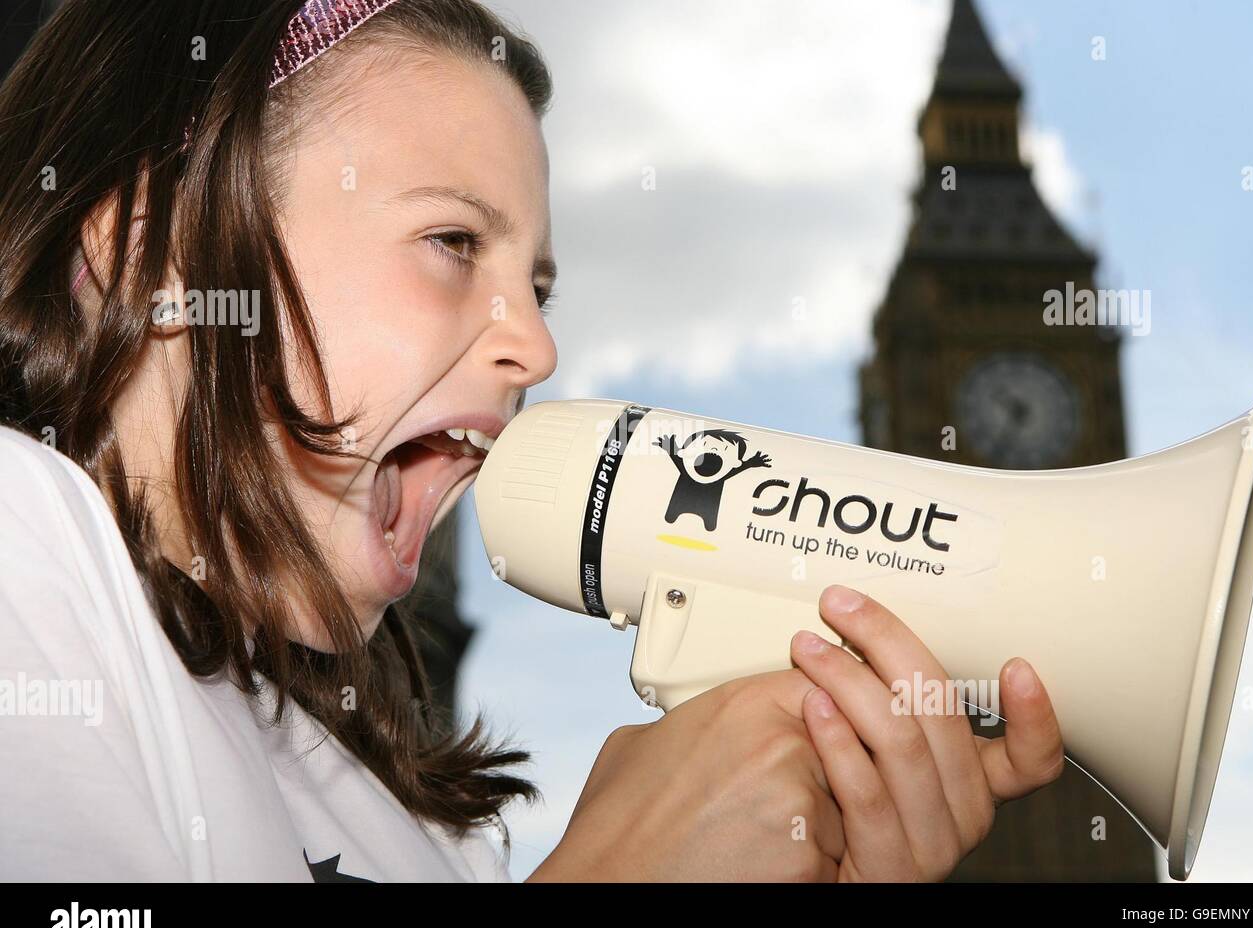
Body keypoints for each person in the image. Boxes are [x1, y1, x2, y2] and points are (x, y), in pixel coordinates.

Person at [0, 0, 1063, 882]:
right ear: (156, 255)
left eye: (539, 288)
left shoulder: (411, 819)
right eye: (453, 242)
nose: (541, 348)